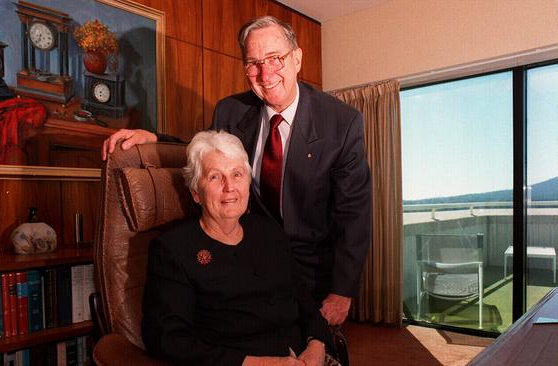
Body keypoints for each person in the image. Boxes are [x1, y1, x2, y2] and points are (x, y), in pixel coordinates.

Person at [104, 16, 371, 326]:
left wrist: (342, 292)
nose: (265, 73)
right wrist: (154, 139)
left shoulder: (342, 122)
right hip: (246, 258)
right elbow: (207, 153)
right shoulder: (231, 110)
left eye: (275, 59)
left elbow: (354, 214)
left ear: (297, 58)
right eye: (253, 63)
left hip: (311, 269)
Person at [142, 130, 336, 366]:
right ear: (195, 193)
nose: (229, 187)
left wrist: (317, 344)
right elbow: (167, 339)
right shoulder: (172, 249)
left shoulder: (269, 232)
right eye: (215, 177)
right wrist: (260, 364)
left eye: (237, 174)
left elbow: (304, 300)